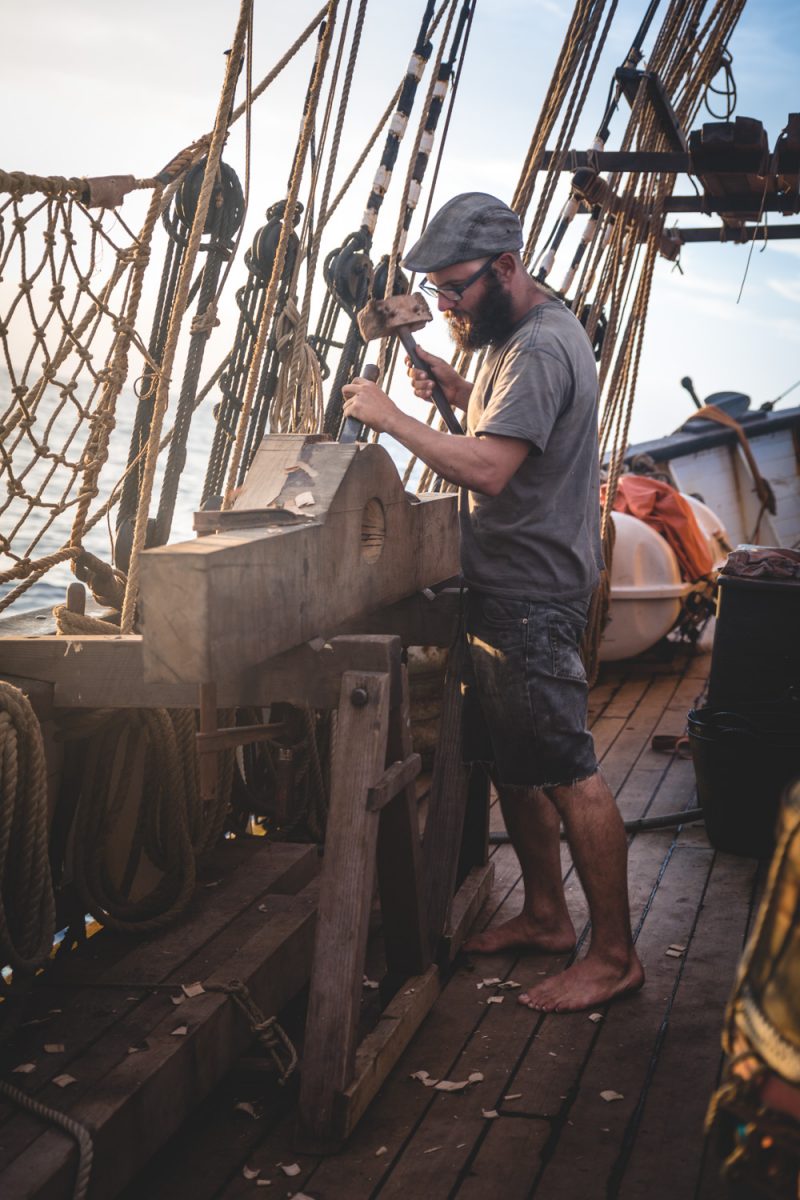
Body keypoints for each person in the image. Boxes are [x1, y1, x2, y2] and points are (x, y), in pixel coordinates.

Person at [342, 192, 644, 1012]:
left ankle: (614, 956)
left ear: (507, 268)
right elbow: (510, 422)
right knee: (513, 760)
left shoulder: (542, 347)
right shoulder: (527, 335)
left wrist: (393, 416)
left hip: (533, 596)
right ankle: (548, 917)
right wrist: (458, 386)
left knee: (568, 769)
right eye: (434, 293)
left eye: (456, 289)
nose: (443, 307)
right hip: (505, 583)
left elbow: (486, 469)